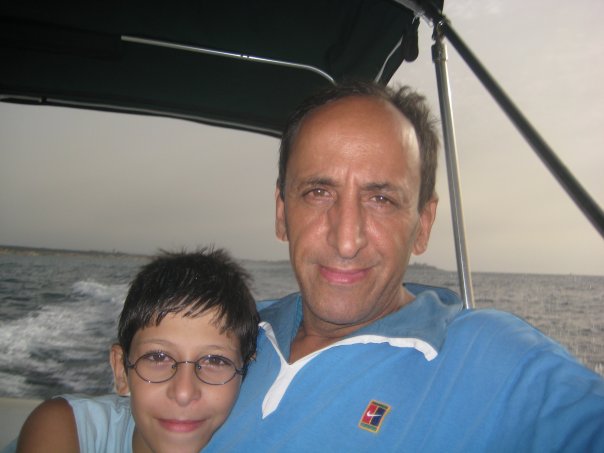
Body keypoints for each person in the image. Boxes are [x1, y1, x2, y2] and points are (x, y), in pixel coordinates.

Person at [204, 81, 604, 452]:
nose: (346, 240)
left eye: (381, 200)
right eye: (318, 192)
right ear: (282, 213)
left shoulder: (491, 361)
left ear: (422, 225)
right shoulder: (225, 331)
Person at [11, 248, 259, 453]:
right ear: (121, 370)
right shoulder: (69, 427)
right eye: (158, 357)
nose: (183, 393)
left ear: (245, 375)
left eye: (215, 360)